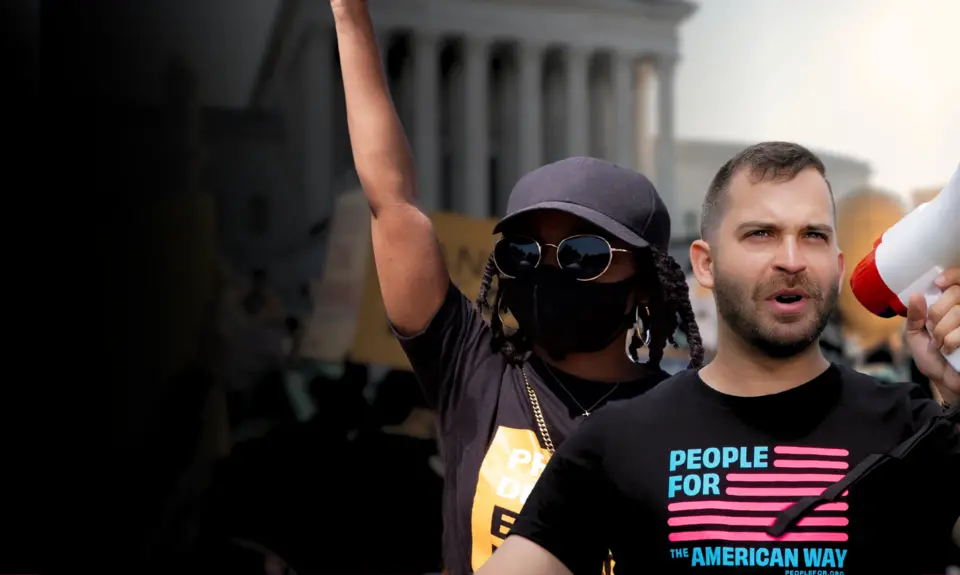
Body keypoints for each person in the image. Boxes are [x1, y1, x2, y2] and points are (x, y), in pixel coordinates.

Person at [329, 1, 703, 573]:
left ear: (644, 281)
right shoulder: (473, 371)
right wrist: (350, 15)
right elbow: (392, 200)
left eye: (584, 254)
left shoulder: (689, 419)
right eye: (521, 253)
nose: (546, 272)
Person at [477, 141, 960, 575]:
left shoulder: (915, 429)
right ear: (705, 264)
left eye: (812, 235)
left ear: (835, 266)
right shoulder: (618, 439)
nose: (790, 259)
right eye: (760, 234)